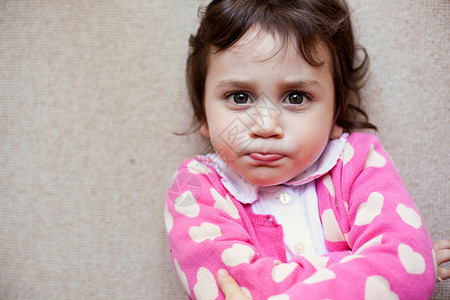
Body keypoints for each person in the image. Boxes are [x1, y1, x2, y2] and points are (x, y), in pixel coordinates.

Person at [165, 0, 447, 299]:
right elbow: (230, 289)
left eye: (296, 97)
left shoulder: (358, 161)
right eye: (239, 96)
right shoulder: (193, 188)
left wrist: (405, 270)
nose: (265, 126)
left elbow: (410, 275)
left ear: (336, 112)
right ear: (203, 116)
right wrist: (368, 266)